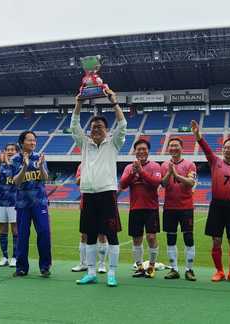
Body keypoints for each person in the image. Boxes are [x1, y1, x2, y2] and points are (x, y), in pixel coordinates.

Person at [71, 91, 126, 287]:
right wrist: (78, 103)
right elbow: (74, 126)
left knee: (111, 235)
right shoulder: (84, 144)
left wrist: (114, 103)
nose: (96, 129)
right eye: (93, 127)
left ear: (107, 129)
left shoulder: (114, 143)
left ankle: (111, 273)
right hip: (88, 194)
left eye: (100, 127)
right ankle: (92, 272)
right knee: (90, 235)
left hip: (107, 194)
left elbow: (123, 124)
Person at [192, 121, 230, 283]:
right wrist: (198, 136)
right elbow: (206, 149)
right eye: (224, 147)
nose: (226, 149)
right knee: (216, 240)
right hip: (216, 205)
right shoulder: (216, 162)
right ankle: (219, 271)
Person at [119, 139, 161, 278]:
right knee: (136, 239)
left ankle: (151, 266)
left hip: (151, 208)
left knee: (151, 237)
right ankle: (139, 266)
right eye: (138, 149)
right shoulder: (128, 168)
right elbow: (123, 184)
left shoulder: (155, 166)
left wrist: (141, 172)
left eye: (144, 149)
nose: (141, 151)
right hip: (135, 208)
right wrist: (133, 172)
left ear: (148, 151)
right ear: (135, 151)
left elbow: (155, 183)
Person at [12, 131, 52, 278]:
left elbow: (46, 177)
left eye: (34, 140)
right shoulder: (15, 159)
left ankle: (45, 266)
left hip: (39, 202)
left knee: (44, 233)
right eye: (29, 140)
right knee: (22, 235)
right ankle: (21, 267)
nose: (33, 143)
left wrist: (41, 166)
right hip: (23, 204)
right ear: (22, 142)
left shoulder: (39, 157)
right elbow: (16, 181)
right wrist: (25, 166)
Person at [161, 138, 197, 281]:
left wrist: (176, 175)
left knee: (188, 238)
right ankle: (174, 269)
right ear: (168, 148)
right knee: (170, 238)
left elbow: (191, 182)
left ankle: (189, 270)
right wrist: (169, 173)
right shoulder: (164, 165)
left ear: (182, 148)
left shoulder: (190, 164)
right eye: (171, 146)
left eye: (176, 145)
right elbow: (163, 184)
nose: (173, 148)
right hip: (169, 207)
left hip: (186, 207)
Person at [72, 163, 109, 273]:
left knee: (102, 234)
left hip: (102, 202)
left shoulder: (103, 162)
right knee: (84, 235)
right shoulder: (82, 165)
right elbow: (77, 182)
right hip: (86, 203)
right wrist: (87, 172)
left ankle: (102, 264)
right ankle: (83, 263)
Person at [0, 143, 18, 268]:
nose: (9, 151)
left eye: (12, 150)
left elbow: (17, 179)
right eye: (7, 150)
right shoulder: (2, 165)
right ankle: (4, 257)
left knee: (15, 230)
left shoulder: (19, 164)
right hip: (1, 202)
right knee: (3, 230)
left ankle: (15, 257)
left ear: (16, 152)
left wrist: (9, 163)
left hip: (14, 202)